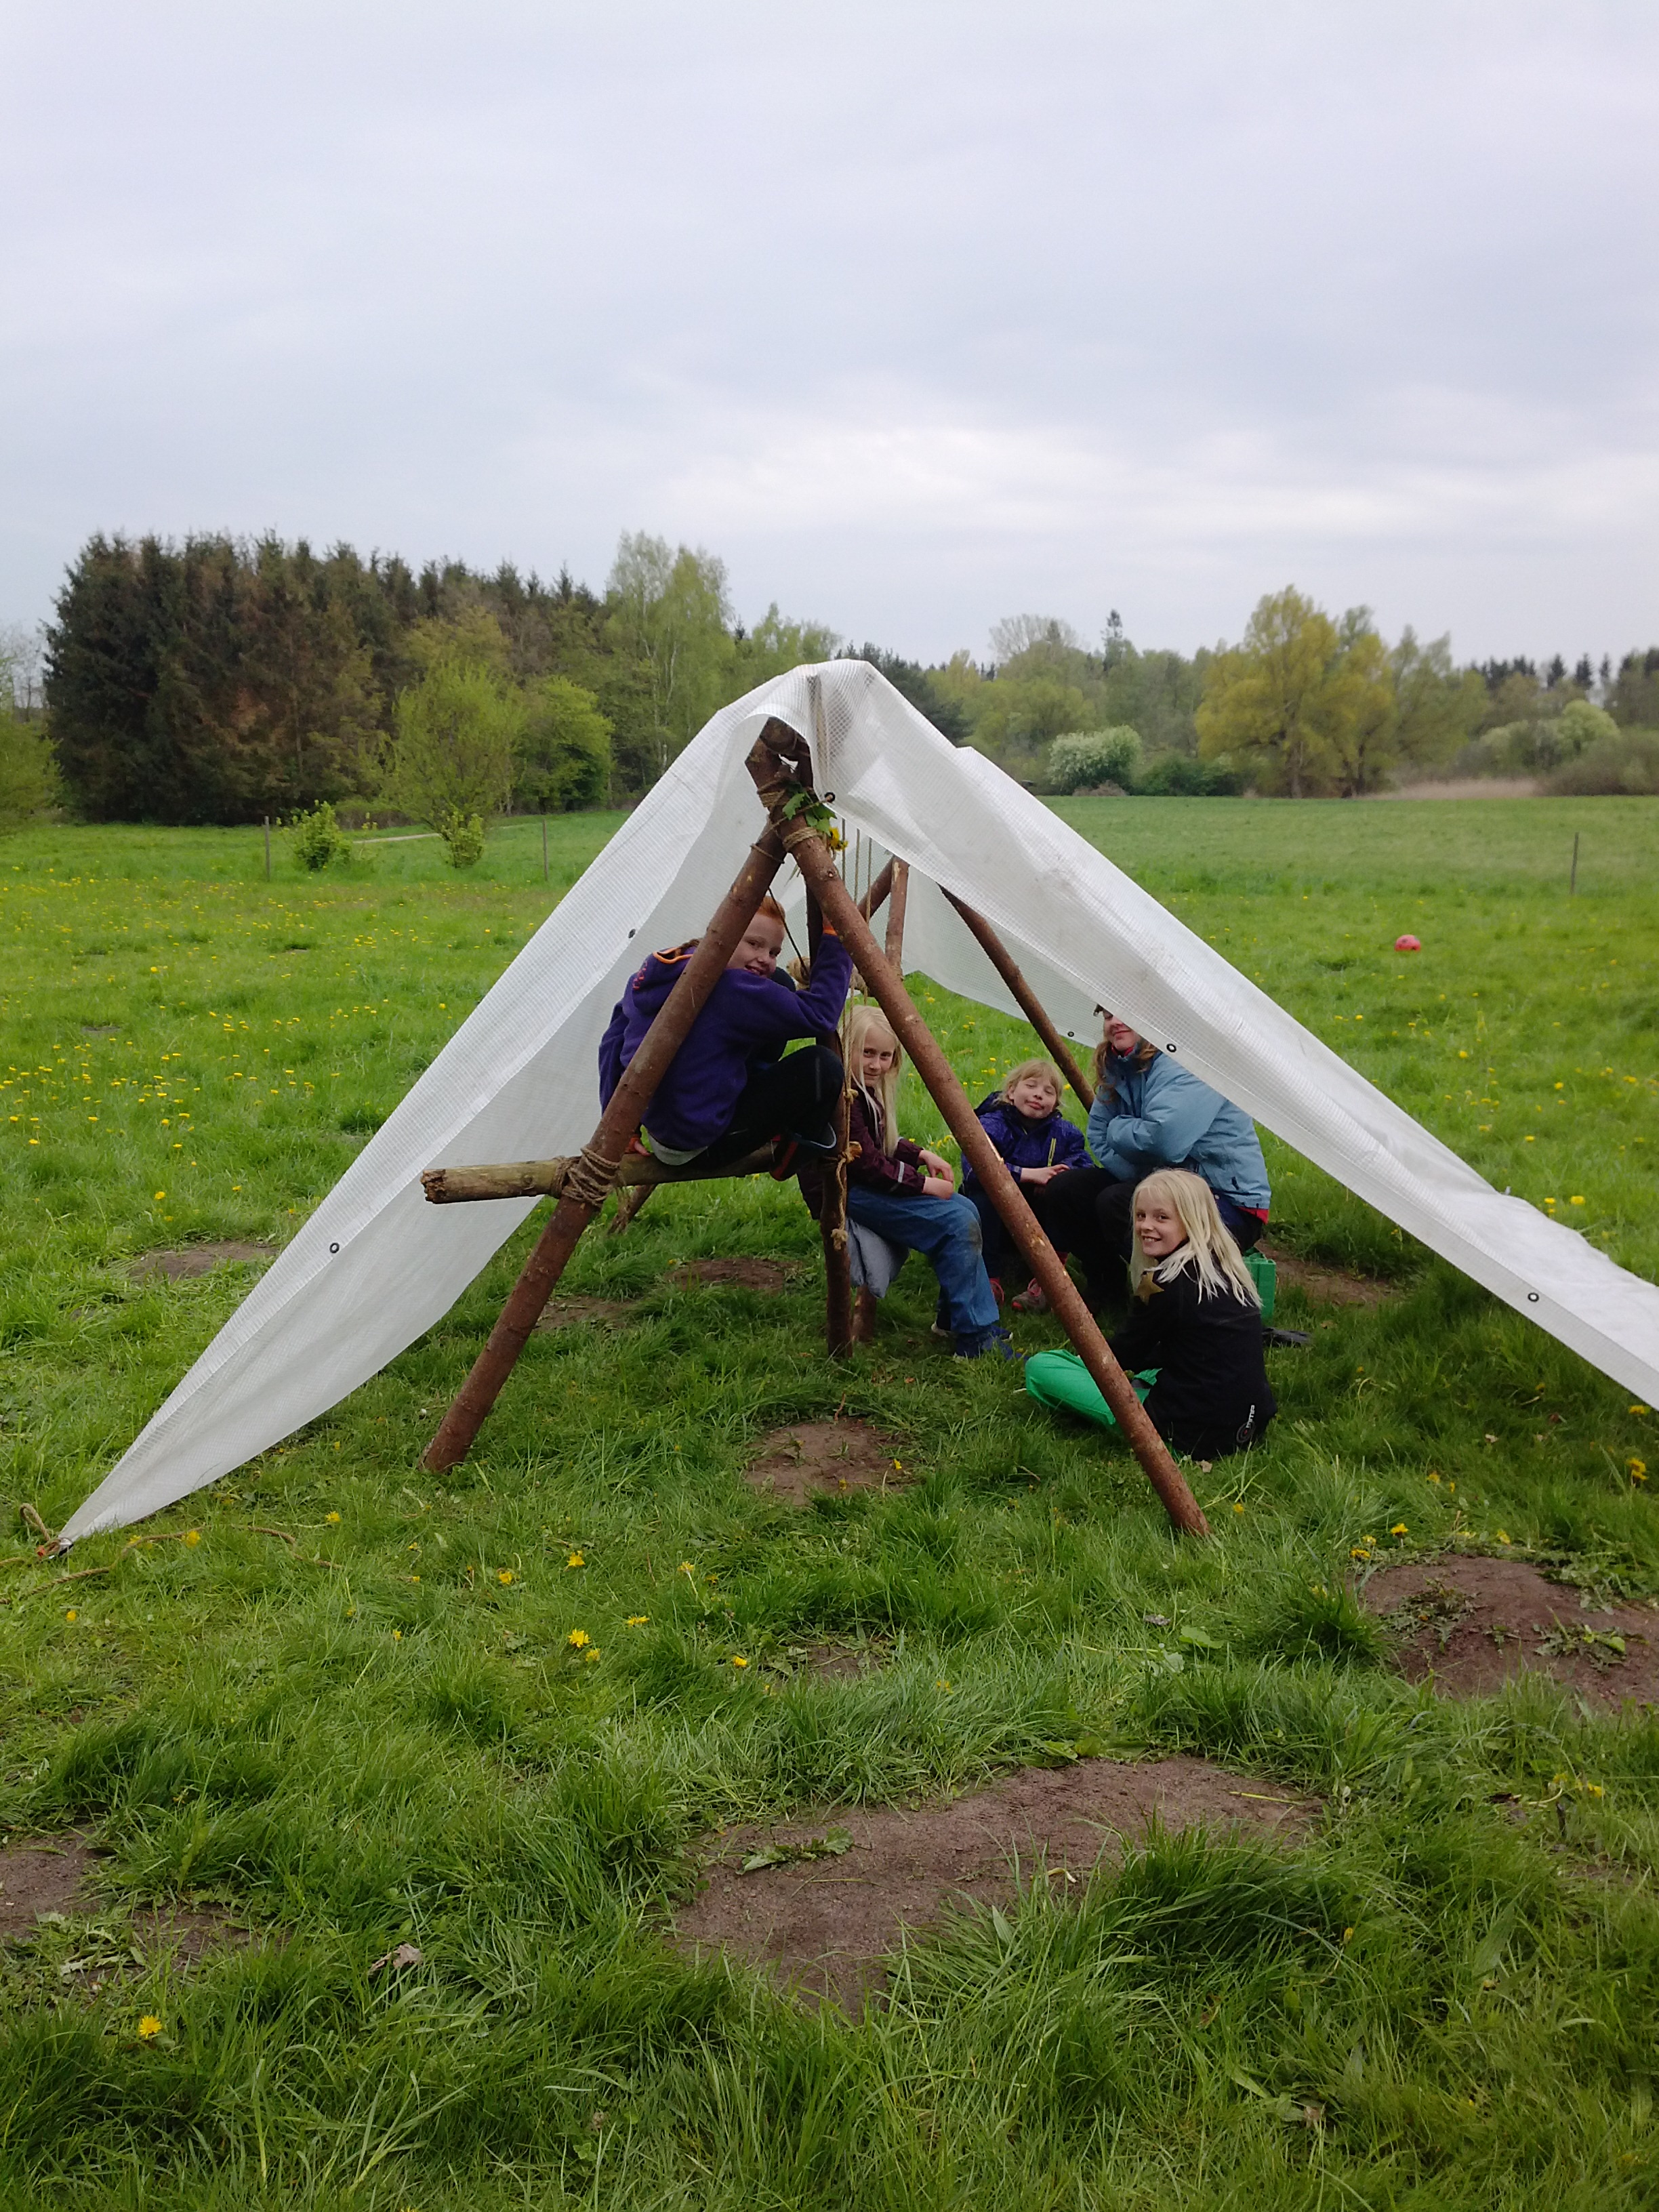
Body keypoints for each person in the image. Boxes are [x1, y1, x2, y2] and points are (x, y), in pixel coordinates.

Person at [1026, 1168, 1275, 1460]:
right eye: (1141, 1215)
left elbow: (1120, 1356)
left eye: (1162, 1218)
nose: (1145, 1226)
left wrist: (1081, 1360)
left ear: (1192, 1221)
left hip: (1186, 1437)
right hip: (1249, 1424)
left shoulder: (1163, 1283)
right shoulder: (1227, 1270)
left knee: (1042, 1367)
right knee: (1157, 1369)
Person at [1031, 1012, 1270, 1315]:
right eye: (1107, 1015)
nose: (1115, 1021)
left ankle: (1170, 1301)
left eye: (1126, 1012)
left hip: (1226, 1201)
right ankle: (1108, 1288)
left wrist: (1120, 1128)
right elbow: (1099, 1138)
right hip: (1159, 1182)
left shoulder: (1187, 1061)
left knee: (1120, 1202)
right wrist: (1142, 1170)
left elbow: (1165, 1140)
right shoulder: (1117, 1064)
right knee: (1067, 1191)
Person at [598, 895, 850, 1171]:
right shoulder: (732, 992)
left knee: (778, 982)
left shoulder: (661, 972)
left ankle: (754, 1086)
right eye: (753, 944)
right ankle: (792, 1156)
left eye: (774, 952)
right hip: (702, 1144)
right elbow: (822, 1014)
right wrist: (836, 937)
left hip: (665, 1128)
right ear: (725, 934)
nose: (764, 959)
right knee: (822, 1068)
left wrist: (622, 1129)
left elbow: (614, 1040)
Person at [831, 1004, 1012, 1360]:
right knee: (956, 1222)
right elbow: (866, 1163)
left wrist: (921, 1155)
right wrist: (924, 1185)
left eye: (885, 1056)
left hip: (868, 1186)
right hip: (851, 1192)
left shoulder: (865, 1091)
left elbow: (877, 1142)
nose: (876, 1065)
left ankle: (954, 1318)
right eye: (867, 1053)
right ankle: (973, 1338)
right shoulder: (844, 1097)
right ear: (846, 1047)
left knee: (967, 1209)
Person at [961, 1058, 1088, 1298]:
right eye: (1031, 1086)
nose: (1038, 1095)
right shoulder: (991, 1123)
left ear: (1056, 1104)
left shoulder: (1064, 1133)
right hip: (993, 1220)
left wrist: (1059, 1175)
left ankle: (1050, 1276)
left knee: (1066, 1191)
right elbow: (975, 1169)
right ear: (1011, 1091)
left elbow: (1083, 1162)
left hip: (1034, 1220)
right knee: (984, 1193)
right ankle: (988, 1278)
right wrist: (1028, 1175)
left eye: (1048, 1092)